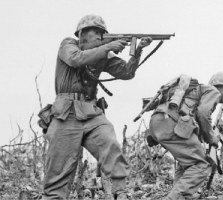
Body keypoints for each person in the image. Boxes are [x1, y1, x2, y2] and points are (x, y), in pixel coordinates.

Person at [41, 14, 152, 199]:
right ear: (82, 33)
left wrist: (138, 50)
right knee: (58, 172)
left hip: (91, 113)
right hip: (66, 114)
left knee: (110, 145)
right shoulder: (68, 44)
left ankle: (120, 193)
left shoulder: (102, 53)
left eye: (103, 33)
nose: (101, 36)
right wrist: (108, 46)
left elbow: (126, 72)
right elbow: (76, 59)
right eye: (97, 32)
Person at [147, 72, 223, 200]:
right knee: (202, 164)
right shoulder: (212, 91)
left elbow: (196, 117)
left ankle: (182, 195)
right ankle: (175, 197)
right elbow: (203, 113)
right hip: (171, 123)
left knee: (188, 163)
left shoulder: (195, 93)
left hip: (157, 123)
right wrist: (212, 137)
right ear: (216, 85)